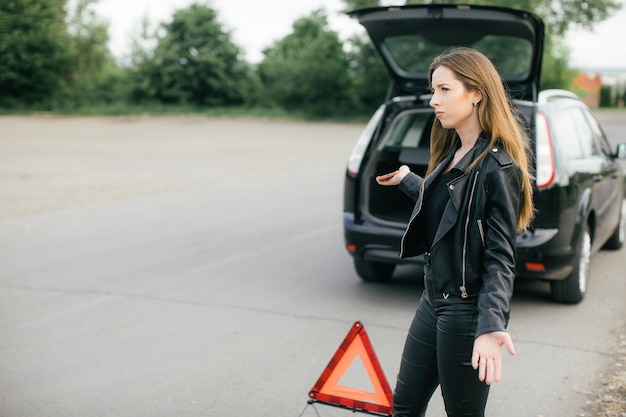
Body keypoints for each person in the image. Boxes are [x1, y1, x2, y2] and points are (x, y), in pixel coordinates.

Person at [376, 47, 535, 417]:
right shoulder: (452, 151)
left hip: (466, 312)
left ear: (476, 93)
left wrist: (491, 324)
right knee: (404, 408)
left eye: (444, 90)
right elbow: (453, 211)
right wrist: (409, 181)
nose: (434, 101)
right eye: (434, 91)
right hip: (432, 301)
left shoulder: (499, 168)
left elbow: (500, 257)